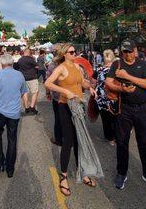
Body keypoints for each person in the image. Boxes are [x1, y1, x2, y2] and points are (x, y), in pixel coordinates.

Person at [105, 40, 146, 192]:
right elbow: (108, 82)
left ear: (135, 50)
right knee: (122, 142)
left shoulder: (141, 64)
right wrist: (122, 89)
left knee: (144, 143)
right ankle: (121, 173)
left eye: (130, 51)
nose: (127, 54)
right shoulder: (117, 64)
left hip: (142, 108)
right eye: (124, 51)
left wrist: (127, 76)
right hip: (124, 108)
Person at [45, 43, 96, 197]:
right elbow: (47, 83)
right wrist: (65, 91)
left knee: (80, 140)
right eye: (72, 52)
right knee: (68, 142)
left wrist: (90, 87)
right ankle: (64, 177)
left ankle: (83, 172)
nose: (75, 54)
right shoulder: (60, 68)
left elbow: (82, 82)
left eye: (75, 51)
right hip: (65, 107)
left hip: (79, 107)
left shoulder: (78, 67)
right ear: (64, 54)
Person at [0, 54, 28, 177]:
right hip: (14, 112)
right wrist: (26, 106)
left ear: (2, 63)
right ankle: (10, 168)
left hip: (0, 111)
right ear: (11, 63)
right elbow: (24, 92)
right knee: (12, 139)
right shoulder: (19, 75)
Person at [92, 49, 117, 146]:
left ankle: (109, 138)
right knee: (115, 117)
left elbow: (93, 83)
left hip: (101, 97)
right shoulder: (116, 70)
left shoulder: (98, 69)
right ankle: (117, 136)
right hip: (114, 96)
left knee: (105, 118)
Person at [45, 50, 62, 146]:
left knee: (58, 118)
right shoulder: (70, 64)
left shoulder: (52, 66)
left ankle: (59, 139)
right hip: (69, 96)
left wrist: (48, 93)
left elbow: (47, 80)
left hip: (57, 96)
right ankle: (69, 139)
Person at [17, 49, 39, 114]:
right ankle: (32, 107)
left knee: (25, 93)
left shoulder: (20, 59)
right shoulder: (31, 59)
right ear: (29, 53)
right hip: (32, 78)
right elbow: (37, 66)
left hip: (23, 78)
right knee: (35, 92)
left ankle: (26, 108)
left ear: (24, 52)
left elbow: (17, 67)